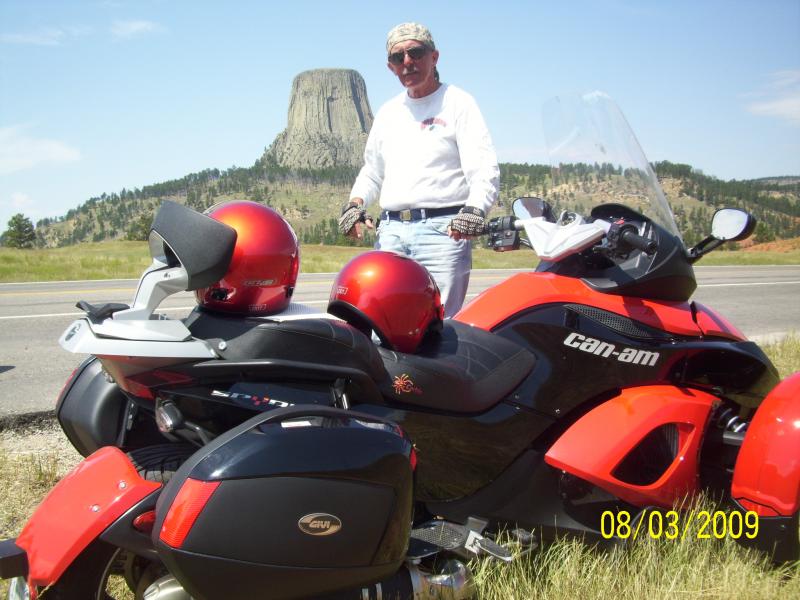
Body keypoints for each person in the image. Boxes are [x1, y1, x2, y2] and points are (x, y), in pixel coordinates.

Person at [339, 22, 499, 318]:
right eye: (398, 58)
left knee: (438, 326)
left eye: (415, 52)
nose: (407, 62)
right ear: (391, 67)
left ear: (434, 57)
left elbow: (483, 167)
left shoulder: (458, 103)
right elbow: (372, 171)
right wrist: (355, 203)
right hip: (391, 233)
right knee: (384, 322)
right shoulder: (388, 113)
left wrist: (475, 209)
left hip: (443, 233)